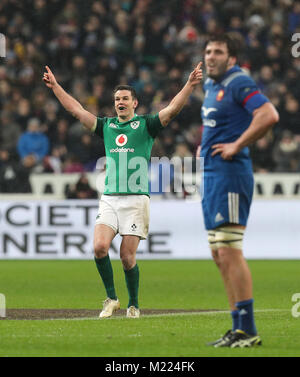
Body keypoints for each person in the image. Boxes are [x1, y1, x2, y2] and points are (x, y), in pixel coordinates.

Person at [43, 63, 203, 318]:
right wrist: (55, 87)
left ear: (135, 103)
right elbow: (76, 110)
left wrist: (190, 84)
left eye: (125, 98)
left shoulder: (146, 125)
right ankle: (111, 298)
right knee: (99, 247)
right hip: (109, 198)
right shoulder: (106, 126)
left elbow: (171, 110)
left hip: (137, 199)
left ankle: (134, 304)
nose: (120, 102)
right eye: (117, 98)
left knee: (127, 257)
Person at [199, 34, 279, 347]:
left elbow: (268, 115)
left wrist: (236, 145)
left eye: (218, 52)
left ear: (232, 58)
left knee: (230, 250)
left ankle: (248, 330)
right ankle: (237, 329)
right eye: (207, 51)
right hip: (211, 175)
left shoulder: (238, 82)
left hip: (230, 175)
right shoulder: (211, 86)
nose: (210, 57)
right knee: (219, 253)